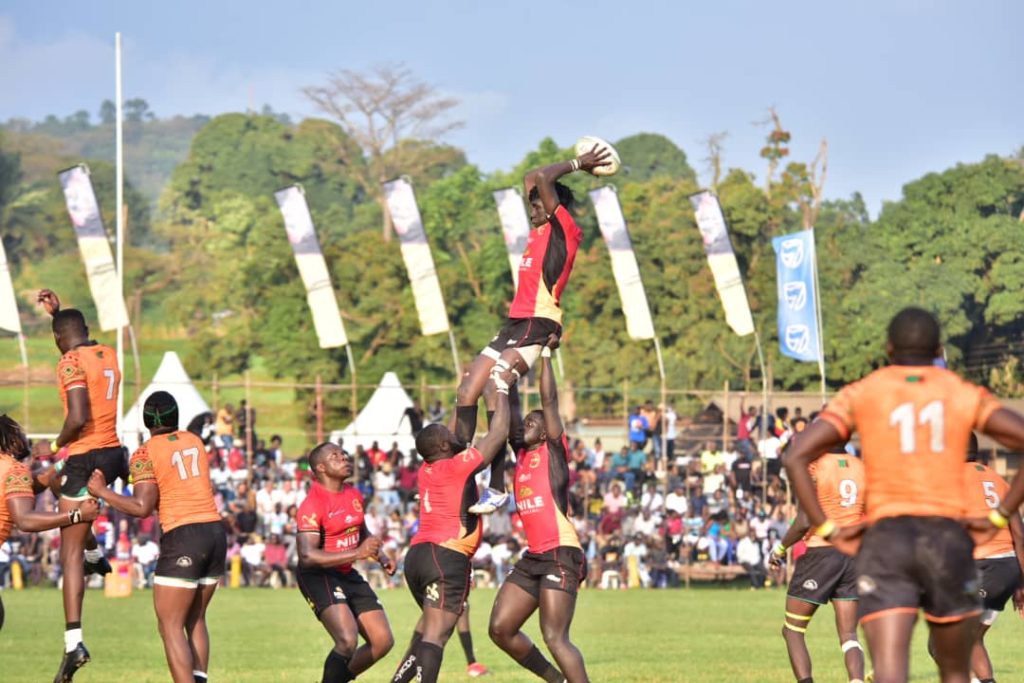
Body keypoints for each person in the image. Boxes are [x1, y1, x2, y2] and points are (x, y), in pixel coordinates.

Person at [784, 307, 1024, 683]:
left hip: (889, 543)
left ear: (889, 349)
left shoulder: (864, 392)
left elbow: (795, 455)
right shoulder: (958, 392)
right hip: (946, 544)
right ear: (938, 350)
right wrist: (1001, 513)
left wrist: (825, 528)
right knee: (955, 667)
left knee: (890, 669)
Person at [453, 146, 612, 515]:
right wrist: (542, 185)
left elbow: (542, 178)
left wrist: (579, 164)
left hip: (540, 321)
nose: (532, 209)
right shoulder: (538, 229)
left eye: (538, 205)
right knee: (467, 388)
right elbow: (532, 178)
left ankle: (496, 486)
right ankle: (453, 474)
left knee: (497, 383)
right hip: (515, 321)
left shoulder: (564, 230)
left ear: (555, 207)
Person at [86, 391, 227, 683]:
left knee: (170, 626)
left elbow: (142, 507)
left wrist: (102, 491)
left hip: (184, 534)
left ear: (146, 421)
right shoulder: (194, 441)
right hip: (215, 531)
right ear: (176, 415)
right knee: (196, 619)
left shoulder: (145, 452)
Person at [390, 368, 516, 683]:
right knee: (436, 637)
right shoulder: (455, 467)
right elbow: (498, 432)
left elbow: (456, 432)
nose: (454, 435)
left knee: (427, 633)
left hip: (418, 557)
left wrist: (467, 389)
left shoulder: (427, 468)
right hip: (445, 556)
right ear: (445, 447)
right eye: (448, 435)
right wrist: (500, 391)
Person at [32, 289, 125, 681]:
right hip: (114, 453)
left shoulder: (69, 361)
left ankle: (74, 643)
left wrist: (53, 446)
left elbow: (78, 415)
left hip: (86, 457)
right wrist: (58, 314)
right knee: (57, 486)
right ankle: (93, 553)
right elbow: (76, 343)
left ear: (58, 339)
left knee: (67, 549)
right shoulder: (107, 352)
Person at [489, 340, 588, 683]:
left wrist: (545, 355)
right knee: (501, 628)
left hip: (561, 553)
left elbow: (549, 401)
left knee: (555, 637)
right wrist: (510, 379)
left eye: (533, 422)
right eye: (526, 422)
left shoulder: (553, 451)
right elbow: (513, 411)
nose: (526, 425)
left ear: (546, 431)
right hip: (535, 556)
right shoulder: (521, 454)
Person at [294, 441, 396, 683]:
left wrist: (380, 555)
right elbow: (307, 556)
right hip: (318, 575)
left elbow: (360, 529)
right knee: (347, 640)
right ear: (320, 468)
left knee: (382, 641)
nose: (344, 458)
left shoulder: (353, 493)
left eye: (343, 454)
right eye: (335, 456)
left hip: (345, 571)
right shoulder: (312, 504)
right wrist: (358, 553)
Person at [929, 434, 1024, 683]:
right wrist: (1020, 582)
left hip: (980, 566)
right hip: (1007, 570)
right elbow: (1019, 534)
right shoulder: (998, 480)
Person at [770, 444, 866, 683]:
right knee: (849, 635)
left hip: (822, 553)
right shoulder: (860, 466)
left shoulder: (815, 466)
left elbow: (804, 521)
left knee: (793, 629)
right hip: (853, 555)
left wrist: (780, 548)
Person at [1, 414, 99, 633]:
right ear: (11, 439)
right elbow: (25, 520)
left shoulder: (11, 470)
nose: (24, 436)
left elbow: (34, 482)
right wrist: (77, 515)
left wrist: (67, 460)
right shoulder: (14, 470)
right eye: (19, 432)